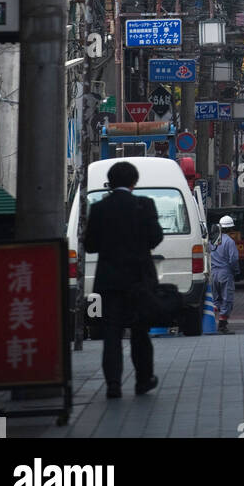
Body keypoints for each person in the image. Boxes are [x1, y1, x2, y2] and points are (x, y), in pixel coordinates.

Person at [83, 159, 163, 399]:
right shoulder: (144, 205)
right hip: (140, 280)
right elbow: (155, 237)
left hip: (109, 281)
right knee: (140, 332)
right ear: (134, 182)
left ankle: (113, 385)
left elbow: (90, 245)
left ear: (110, 182)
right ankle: (143, 380)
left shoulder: (99, 208)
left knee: (112, 334)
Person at [211, 215, 241, 333]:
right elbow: (233, 259)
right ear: (230, 229)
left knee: (215, 299)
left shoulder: (212, 241)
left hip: (213, 273)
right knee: (227, 299)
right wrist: (236, 271)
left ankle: (209, 321)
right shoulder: (229, 241)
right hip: (225, 273)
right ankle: (222, 325)